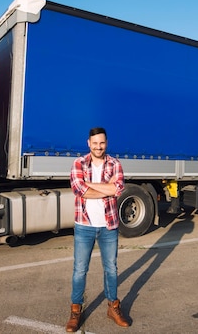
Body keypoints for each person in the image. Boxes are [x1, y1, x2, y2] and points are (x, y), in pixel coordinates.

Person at [66, 127, 130, 332]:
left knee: (111, 269)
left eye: (101, 143)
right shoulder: (78, 163)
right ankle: (76, 311)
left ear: (106, 143)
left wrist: (90, 184)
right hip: (84, 226)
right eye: (95, 143)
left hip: (108, 226)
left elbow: (118, 188)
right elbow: (79, 190)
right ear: (88, 143)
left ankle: (113, 307)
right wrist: (105, 188)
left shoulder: (115, 164)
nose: (98, 146)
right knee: (79, 270)